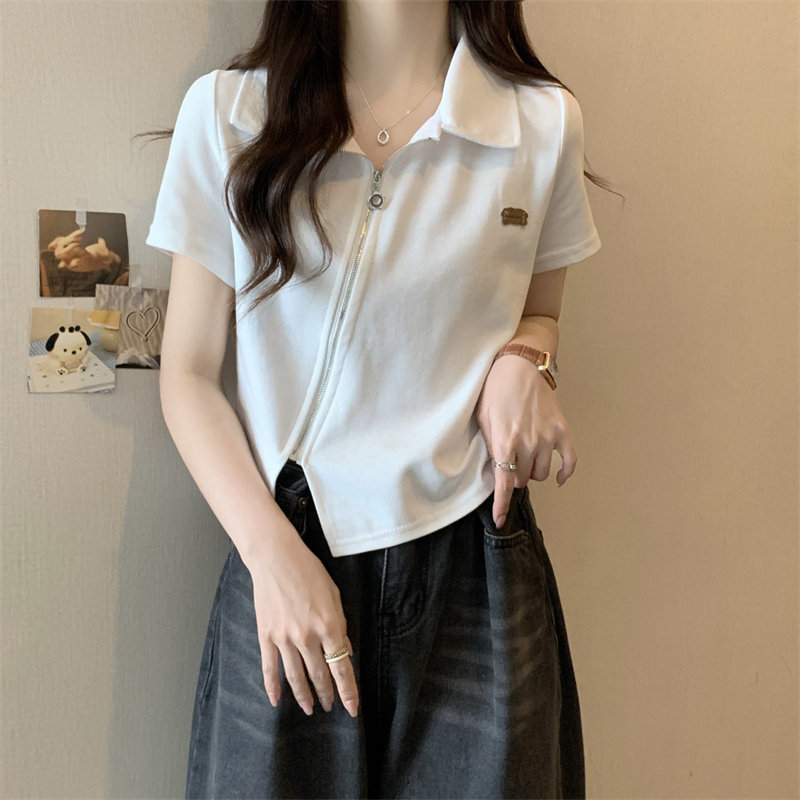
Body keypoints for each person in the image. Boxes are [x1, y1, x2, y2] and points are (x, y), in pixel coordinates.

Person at [144, 1, 608, 797]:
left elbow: (541, 314)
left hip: (477, 559)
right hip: (289, 556)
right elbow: (187, 372)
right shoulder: (229, 113)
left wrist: (526, 362)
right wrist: (270, 556)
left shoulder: (541, 123)